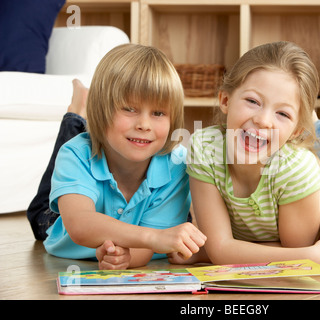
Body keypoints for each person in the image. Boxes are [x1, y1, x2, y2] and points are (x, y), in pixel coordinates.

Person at [179, 41, 320, 271]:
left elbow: (298, 253)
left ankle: (312, 123)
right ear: (225, 100)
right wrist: (219, 250)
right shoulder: (204, 147)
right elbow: (225, 250)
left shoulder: (296, 168)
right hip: (282, 157)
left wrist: (222, 250)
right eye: (252, 101)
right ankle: (296, 114)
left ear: (296, 131)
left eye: (281, 113)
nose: (263, 120)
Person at [26, 44, 206, 269]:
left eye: (158, 113)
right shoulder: (75, 154)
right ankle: (75, 113)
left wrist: (124, 256)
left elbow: (147, 250)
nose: (143, 125)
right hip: (58, 222)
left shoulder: (177, 164)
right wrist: (155, 238)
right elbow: (81, 225)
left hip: (136, 233)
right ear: (102, 107)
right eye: (129, 109)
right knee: (40, 215)